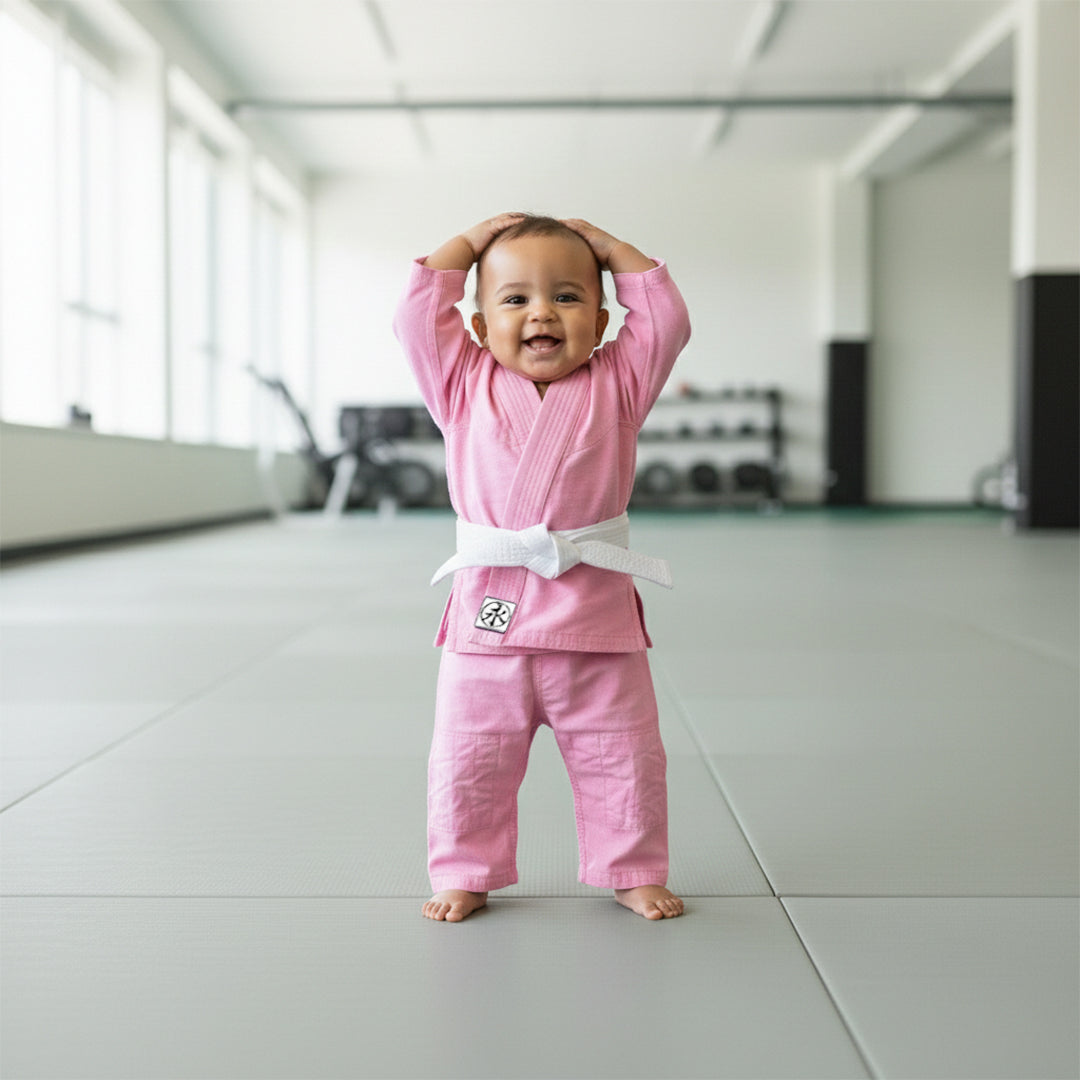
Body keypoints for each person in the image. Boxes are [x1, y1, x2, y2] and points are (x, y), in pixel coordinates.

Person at [393, 213, 691, 922]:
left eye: (566, 296)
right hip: (488, 621)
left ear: (601, 315)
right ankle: (465, 870)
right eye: (515, 299)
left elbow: (666, 321)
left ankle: (631, 866)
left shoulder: (620, 382)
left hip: (595, 620)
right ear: (476, 325)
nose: (541, 314)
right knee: (468, 759)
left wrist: (614, 248)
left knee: (625, 756)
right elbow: (414, 319)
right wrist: (466, 244)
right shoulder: (461, 385)